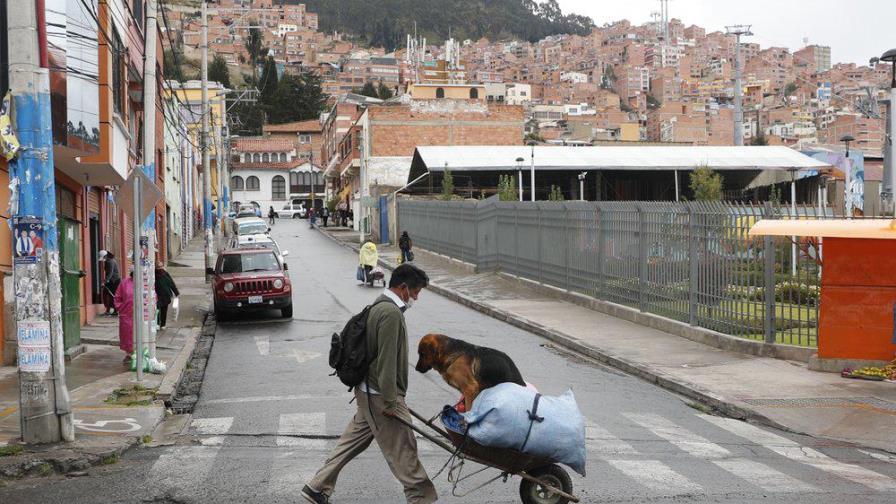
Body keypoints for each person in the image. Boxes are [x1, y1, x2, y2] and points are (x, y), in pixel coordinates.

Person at [302, 264, 437, 504]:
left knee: (351, 442)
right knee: (403, 447)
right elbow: (386, 361)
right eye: (415, 291)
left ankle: (317, 486)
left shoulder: (381, 304)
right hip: (380, 396)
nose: (417, 297)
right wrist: (391, 401)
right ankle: (420, 497)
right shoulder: (391, 314)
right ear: (403, 288)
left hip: (367, 391)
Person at [114, 268, 135, 363]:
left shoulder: (145, 282)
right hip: (126, 314)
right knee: (127, 335)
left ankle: (140, 353)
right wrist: (120, 308)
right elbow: (117, 297)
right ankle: (129, 354)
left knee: (140, 333)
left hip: (141, 314)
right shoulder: (124, 283)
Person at [154, 262, 180, 330]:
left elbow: (171, 283)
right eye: (158, 267)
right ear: (155, 268)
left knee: (164, 310)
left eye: (161, 267)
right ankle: (157, 324)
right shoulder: (153, 275)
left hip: (166, 295)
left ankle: (163, 324)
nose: (160, 268)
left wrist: (176, 292)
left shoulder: (165, 274)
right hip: (157, 296)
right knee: (157, 310)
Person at [100, 250, 121, 316]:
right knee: (108, 295)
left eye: (103, 257)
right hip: (111, 280)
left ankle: (114, 310)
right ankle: (109, 310)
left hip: (114, 281)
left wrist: (105, 281)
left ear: (105, 256)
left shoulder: (110, 261)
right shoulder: (108, 261)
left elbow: (110, 273)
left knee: (112, 296)